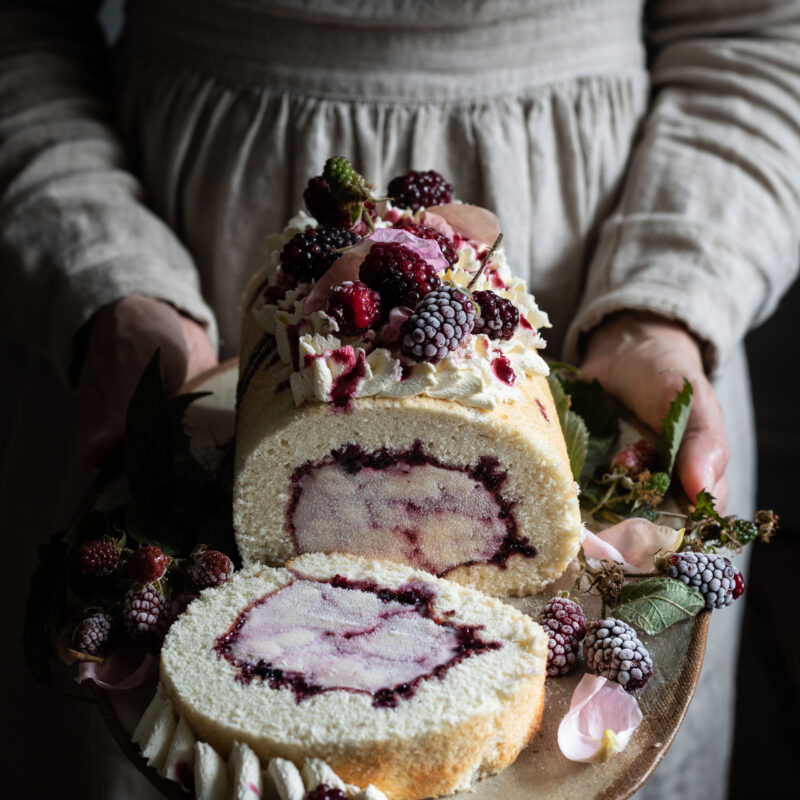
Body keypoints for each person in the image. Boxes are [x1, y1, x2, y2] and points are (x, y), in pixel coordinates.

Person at [2, 1, 799, 798]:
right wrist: (107, 280)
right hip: (166, 253)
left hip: (622, 240)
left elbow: (757, 31)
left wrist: (666, 307)